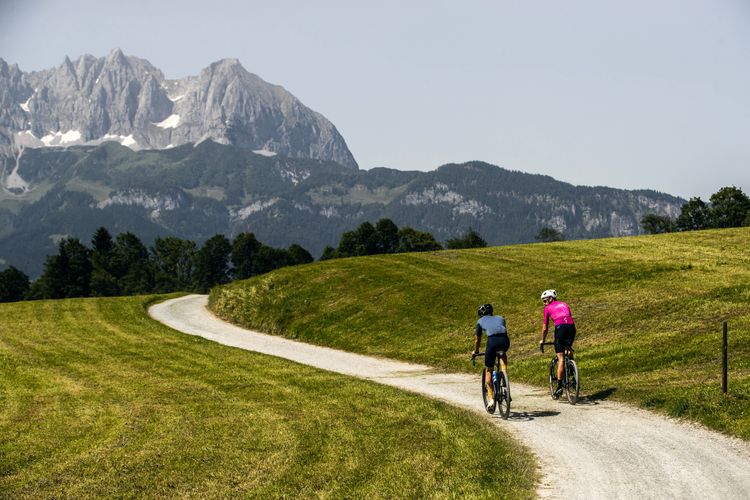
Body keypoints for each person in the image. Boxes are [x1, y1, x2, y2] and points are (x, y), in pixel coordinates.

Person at [471, 303, 510, 410]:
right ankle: (504, 377)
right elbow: (502, 330)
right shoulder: (501, 318)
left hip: (492, 342)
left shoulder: (480, 321)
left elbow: (477, 339)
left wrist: (476, 351)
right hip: (505, 340)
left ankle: (491, 400)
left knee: (489, 369)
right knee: (502, 354)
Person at [538, 289, 576, 399]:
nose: (544, 303)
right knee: (568, 350)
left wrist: (543, 340)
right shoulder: (565, 304)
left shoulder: (547, 308)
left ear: (551, 299)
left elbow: (545, 328)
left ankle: (559, 386)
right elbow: (568, 318)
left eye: (545, 301)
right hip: (571, 328)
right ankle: (572, 374)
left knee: (561, 358)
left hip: (560, 329)